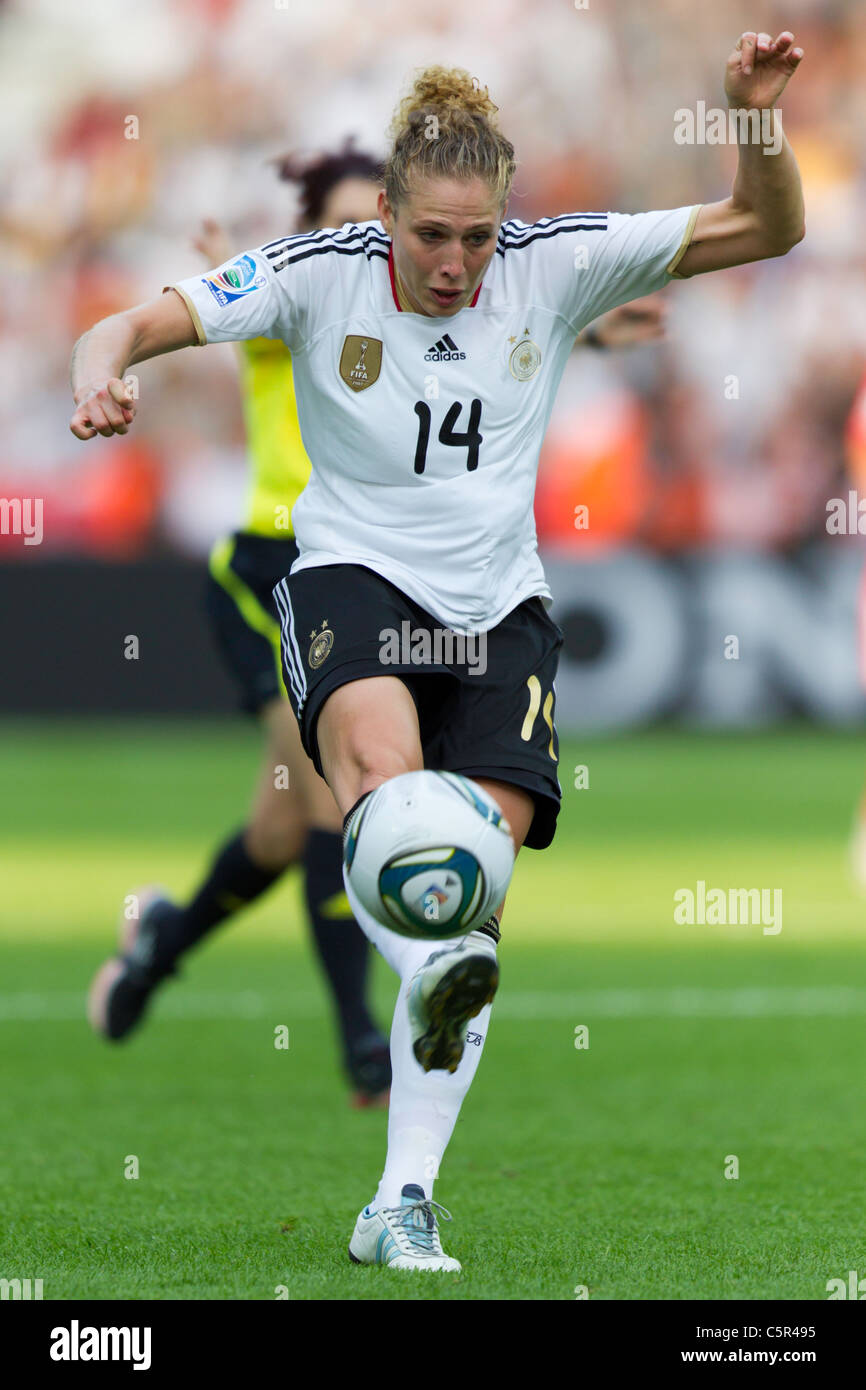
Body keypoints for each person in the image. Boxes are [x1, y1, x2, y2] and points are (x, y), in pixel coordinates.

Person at [70, 33, 805, 1271]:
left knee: (468, 898)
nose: (456, 262)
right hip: (351, 580)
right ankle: (427, 960)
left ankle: (398, 1196)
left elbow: (763, 227)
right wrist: (105, 381)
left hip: (498, 609)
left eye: (475, 236)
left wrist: (752, 120)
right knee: (391, 797)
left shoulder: (555, 264)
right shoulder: (317, 272)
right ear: (391, 218)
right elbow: (131, 324)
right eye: (430, 237)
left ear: (501, 218)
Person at [86, 142, 397, 1109]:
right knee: (329, 803)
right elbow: (205, 309)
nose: (356, 241)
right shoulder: (296, 300)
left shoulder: (419, 319)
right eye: (336, 224)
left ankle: (158, 946)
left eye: (372, 223)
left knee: (275, 832)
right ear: (307, 235)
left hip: (364, 575)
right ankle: (363, 1044)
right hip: (269, 576)